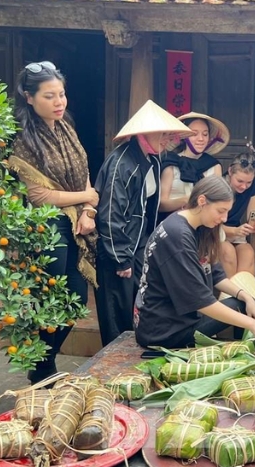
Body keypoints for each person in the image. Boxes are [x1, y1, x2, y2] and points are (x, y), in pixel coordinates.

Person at [7, 61, 98, 384]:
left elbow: (84, 174)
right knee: (51, 298)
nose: (59, 102)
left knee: (74, 297)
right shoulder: (23, 139)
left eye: (61, 94)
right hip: (47, 226)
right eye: (49, 96)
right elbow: (40, 196)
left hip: (76, 221)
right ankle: (43, 367)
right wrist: (85, 196)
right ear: (28, 97)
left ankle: (43, 362)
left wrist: (88, 210)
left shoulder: (66, 128)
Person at [93, 100, 195, 346]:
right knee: (116, 312)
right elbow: (110, 214)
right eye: (163, 134)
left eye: (169, 134)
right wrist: (121, 258)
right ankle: (113, 365)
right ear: (144, 133)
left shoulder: (153, 159)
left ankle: (132, 356)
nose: (167, 139)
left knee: (139, 306)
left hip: (138, 244)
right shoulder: (122, 162)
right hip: (117, 249)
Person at [133, 176, 255, 351]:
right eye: (221, 211)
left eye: (227, 212)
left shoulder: (199, 227)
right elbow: (200, 301)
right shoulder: (177, 235)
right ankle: (246, 348)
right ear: (202, 201)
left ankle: (245, 346)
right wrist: (254, 325)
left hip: (180, 318)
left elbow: (215, 275)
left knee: (245, 302)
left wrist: (245, 295)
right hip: (163, 331)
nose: (224, 218)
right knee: (242, 312)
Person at [159, 112, 229, 216]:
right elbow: (160, 205)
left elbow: (218, 200)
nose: (201, 139)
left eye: (205, 134)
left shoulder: (214, 166)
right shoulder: (171, 163)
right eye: (194, 134)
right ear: (184, 136)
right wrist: (186, 200)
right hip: (173, 223)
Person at [220, 153, 255, 278]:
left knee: (248, 253)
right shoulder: (219, 186)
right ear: (230, 171)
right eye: (240, 181)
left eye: (249, 182)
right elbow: (210, 224)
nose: (244, 186)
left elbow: (253, 216)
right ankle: (230, 295)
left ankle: (245, 294)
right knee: (228, 252)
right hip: (216, 233)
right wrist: (234, 231)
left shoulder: (253, 186)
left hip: (236, 233)